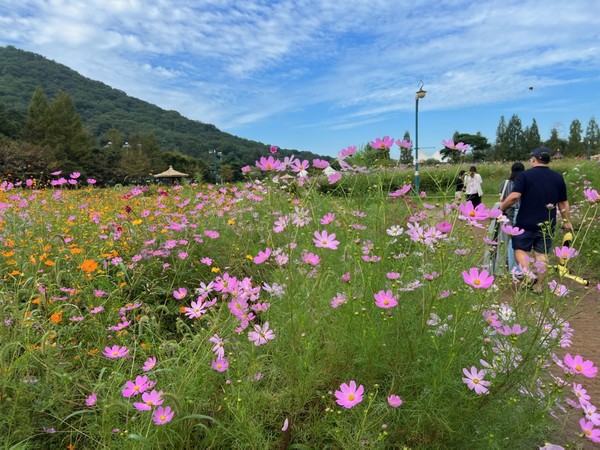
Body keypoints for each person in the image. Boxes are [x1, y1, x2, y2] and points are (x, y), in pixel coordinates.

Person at [498, 147, 572, 292]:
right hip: (547, 224)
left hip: (526, 222)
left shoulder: (525, 176)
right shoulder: (557, 177)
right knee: (541, 254)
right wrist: (566, 221)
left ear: (533, 159)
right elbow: (563, 203)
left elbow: (514, 197)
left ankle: (528, 274)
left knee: (519, 249)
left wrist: (502, 208)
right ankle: (539, 287)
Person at [498, 162, 525, 272]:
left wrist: (501, 209)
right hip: (522, 212)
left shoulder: (505, 183)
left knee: (508, 239)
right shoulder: (525, 182)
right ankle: (517, 266)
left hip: (508, 213)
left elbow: (502, 198)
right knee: (518, 240)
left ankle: (509, 263)